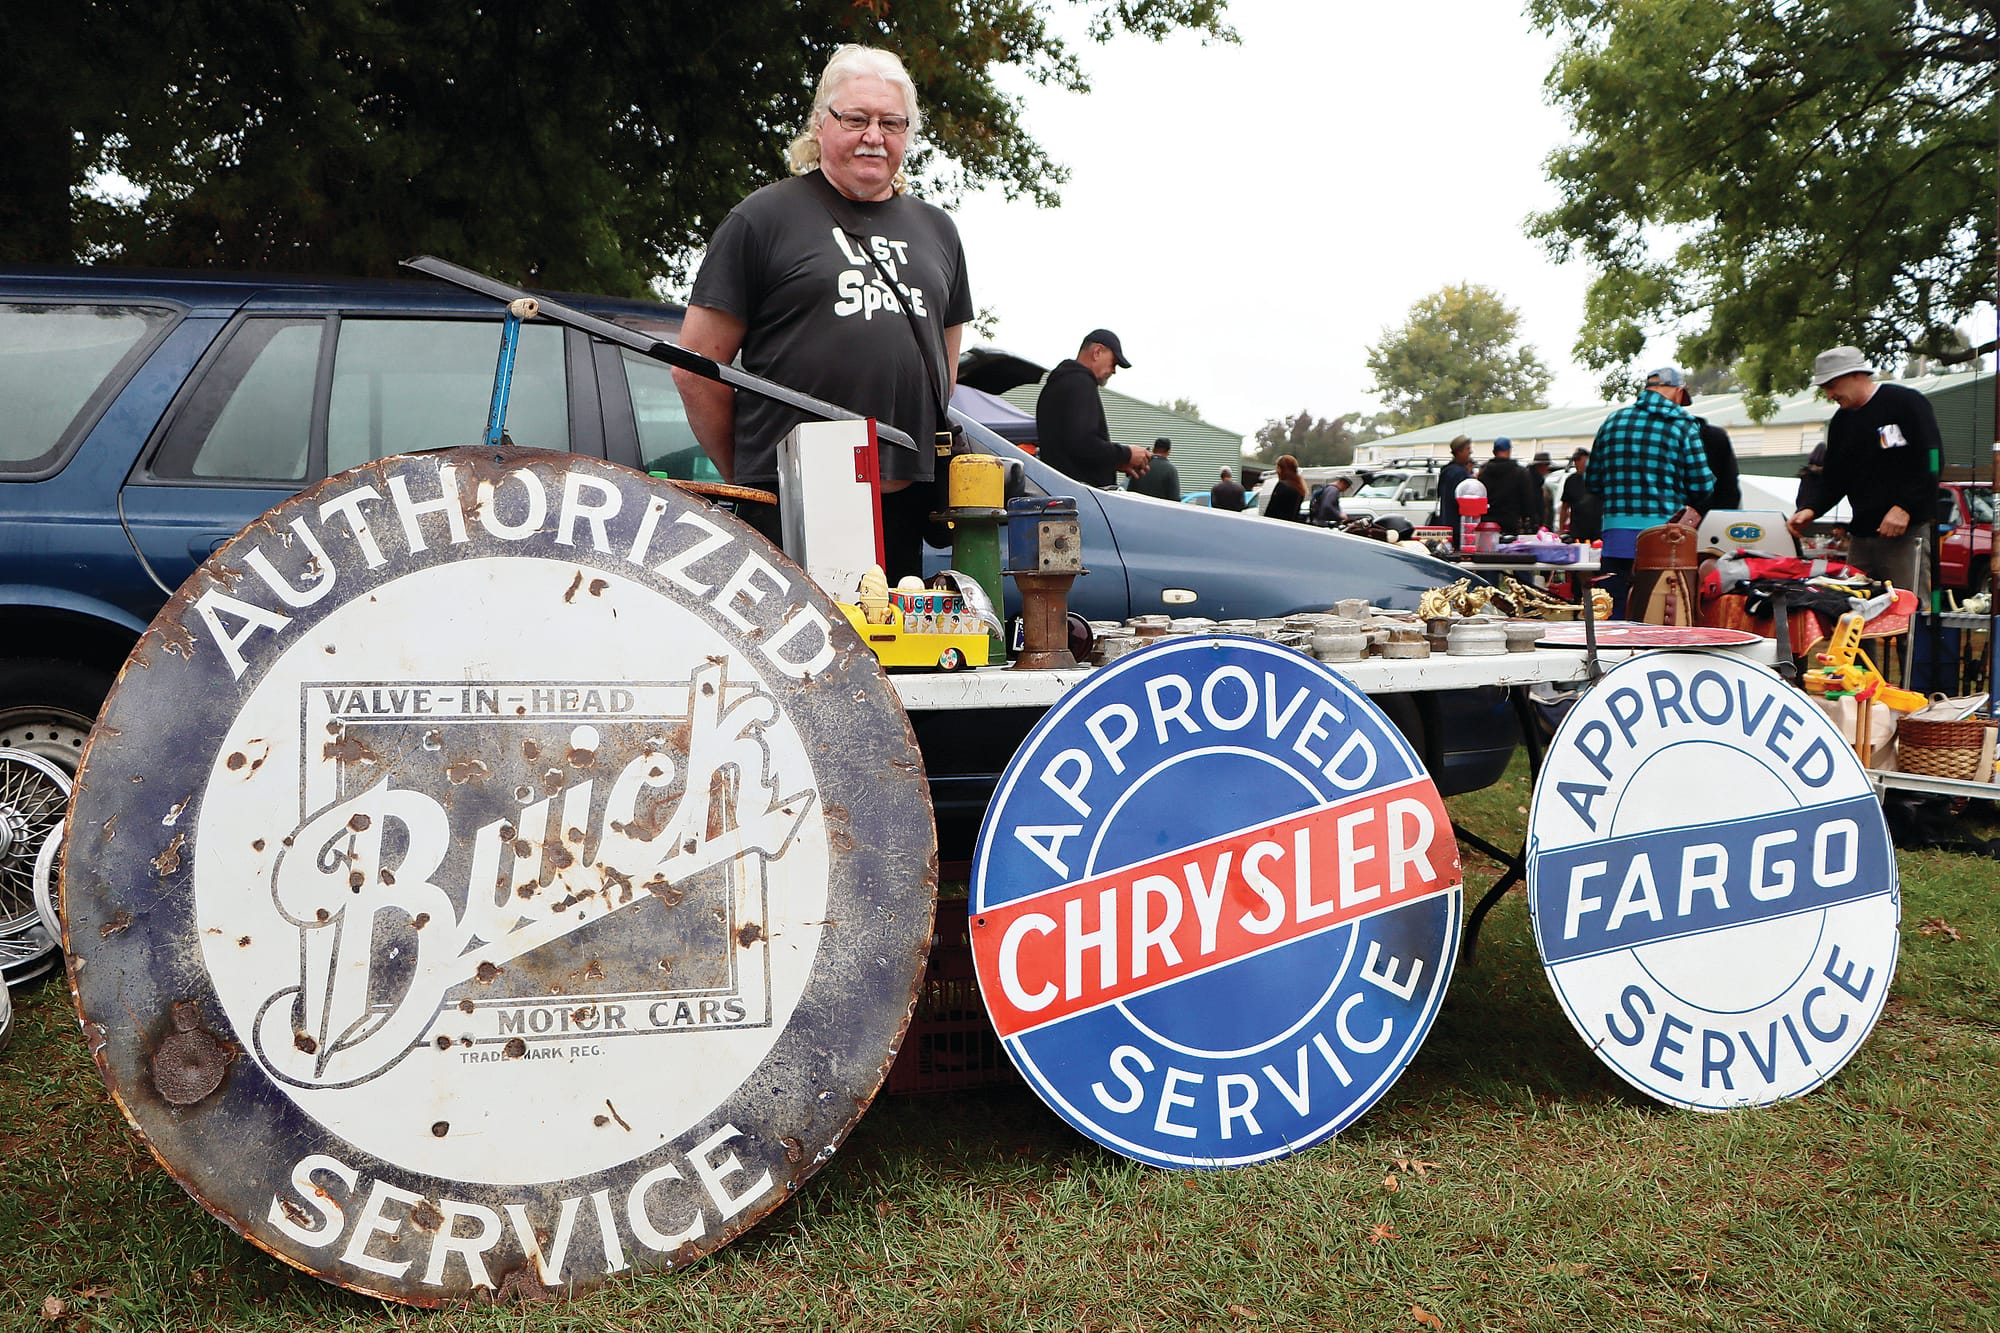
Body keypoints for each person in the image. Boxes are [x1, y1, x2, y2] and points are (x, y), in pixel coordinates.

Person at [673, 45, 972, 582]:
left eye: (891, 122)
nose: (873, 136)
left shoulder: (939, 231)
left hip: (900, 501)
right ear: (820, 123)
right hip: (791, 505)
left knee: (887, 659)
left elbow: (944, 367)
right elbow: (695, 366)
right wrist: (752, 479)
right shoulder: (761, 219)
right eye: (856, 118)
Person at [1788, 345, 1941, 597]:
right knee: (1854, 606)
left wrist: (1905, 507)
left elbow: (1932, 460)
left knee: (1906, 610)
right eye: (1824, 388)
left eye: (1832, 385)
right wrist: (1810, 509)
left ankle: (1914, 637)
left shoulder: (1906, 403)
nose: (1829, 394)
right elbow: (1835, 478)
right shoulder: (1841, 422)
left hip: (1907, 531)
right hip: (1861, 533)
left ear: (1856, 375)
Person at [1589, 365, 1714, 616]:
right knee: (1657, 617)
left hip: (1616, 537)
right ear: (1678, 392)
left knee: (1611, 614)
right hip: (1665, 540)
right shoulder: (1683, 425)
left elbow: (1593, 482)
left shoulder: (1613, 422)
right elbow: (1702, 486)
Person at [1034, 330, 1150, 489]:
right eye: (1113, 363)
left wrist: (1114, 462)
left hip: (1059, 491)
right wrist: (1127, 453)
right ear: (1097, 352)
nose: (1114, 371)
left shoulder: (1055, 385)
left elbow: (1070, 450)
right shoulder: (1081, 383)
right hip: (1084, 499)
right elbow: (1084, 444)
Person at [1475, 437, 1539, 535]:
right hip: (1511, 523)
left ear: (1494, 452)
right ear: (1509, 451)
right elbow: (1528, 500)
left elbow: (1478, 496)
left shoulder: (1483, 472)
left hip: (1487, 524)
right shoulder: (1520, 472)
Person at [1559, 447, 1602, 540]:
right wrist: (1561, 529)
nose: (1576, 463)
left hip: (1598, 530)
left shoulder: (1600, 478)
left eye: (1578, 460)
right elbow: (1564, 506)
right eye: (1574, 460)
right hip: (1577, 531)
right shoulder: (1571, 480)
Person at [1438, 435, 1474, 538]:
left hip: (1446, 524)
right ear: (1459, 452)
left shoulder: (1446, 471)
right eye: (1468, 449)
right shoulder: (1459, 473)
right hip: (1459, 526)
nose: (1470, 452)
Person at [1128, 436, 1181, 502]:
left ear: (1153, 449)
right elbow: (1174, 498)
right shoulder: (1171, 470)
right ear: (1169, 451)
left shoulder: (1141, 465)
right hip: (1158, 510)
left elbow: (1129, 491)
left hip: (1136, 507)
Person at [1265, 455, 1307, 522]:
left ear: (1281, 469)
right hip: (1290, 524)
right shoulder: (1300, 488)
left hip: (1276, 524)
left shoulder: (1282, 486)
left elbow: (1271, 510)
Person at [1529, 451, 1557, 530]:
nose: (1548, 468)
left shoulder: (1541, 484)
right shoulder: (1532, 484)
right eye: (1547, 465)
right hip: (1535, 527)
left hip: (1538, 526)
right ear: (1540, 466)